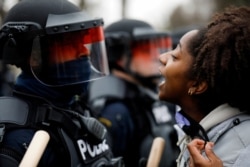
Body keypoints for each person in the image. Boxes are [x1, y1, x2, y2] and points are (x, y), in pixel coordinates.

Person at [0, 0, 124, 166]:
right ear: (34, 56)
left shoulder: (79, 112)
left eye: (82, 42)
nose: (84, 52)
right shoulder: (17, 138)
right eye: (69, 43)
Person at [158, 5, 250, 167]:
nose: (162, 57)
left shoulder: (242, 151)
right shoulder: (201, 133)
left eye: (175, 56)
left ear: (198, 84)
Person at [87, 18, 180, 167]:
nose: (158, 56)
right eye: (145, 50)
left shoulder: (148, 95)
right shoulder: (115, 111)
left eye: (157, 48)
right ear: (118, 57)